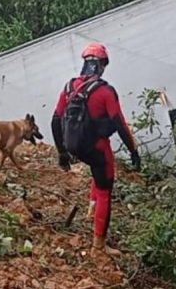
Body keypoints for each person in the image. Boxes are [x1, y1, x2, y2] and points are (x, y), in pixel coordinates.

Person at [51, 42, 140, 253]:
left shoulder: (69, 87)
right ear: (102, 65)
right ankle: (99, 246)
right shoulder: (105, 91)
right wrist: (133, 151)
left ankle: (91, 210)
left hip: (74, 147)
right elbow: (120, 124)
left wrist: (62, 152)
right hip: (97, 149)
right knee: (104, 191)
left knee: (95, 171)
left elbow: (55, 120)